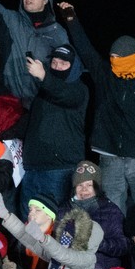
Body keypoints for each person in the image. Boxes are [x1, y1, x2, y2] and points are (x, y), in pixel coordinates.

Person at [57, 1, 135, 214]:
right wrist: (72, 20)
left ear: (130, 58)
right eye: (112, 57)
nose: (113, 61)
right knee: (113, 212)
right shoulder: (105, 77)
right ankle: (117, 247)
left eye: (118, 58)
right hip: (109, 159)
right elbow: (86, 50)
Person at [17, 45, 88, 221]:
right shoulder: (43, 92)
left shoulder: (78, 90)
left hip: (59, 170)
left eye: (63, 63)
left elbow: (62, 94)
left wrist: (43, 76)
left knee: (56, 222)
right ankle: (27, 250)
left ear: (74, 67)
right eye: (54, 62)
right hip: (33, 168)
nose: (56, 66)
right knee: (29, 221)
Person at [55, 160, 128, 269]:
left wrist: (99, 243)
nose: (84, 190)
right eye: (80, 185)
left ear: (97, 188)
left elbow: (123, 245)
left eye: (89, 185)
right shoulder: (63, 210)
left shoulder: (111, 211)